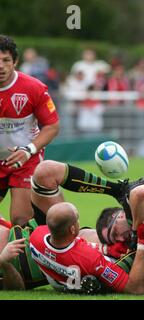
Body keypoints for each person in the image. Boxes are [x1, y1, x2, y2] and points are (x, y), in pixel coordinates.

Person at [0, 35, 60, 226]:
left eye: (6, 60)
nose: (1, 66)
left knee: (20, 218)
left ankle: (30, 251)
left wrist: (29, 150)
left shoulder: (33, 88)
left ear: (15, 61)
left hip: (26, 159)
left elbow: (52, 126)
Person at [29, 202, 144, 294]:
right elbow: (135, 289)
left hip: (61, 280)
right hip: (102, 271)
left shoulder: (36, 237)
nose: (79, 222)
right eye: (77, 220)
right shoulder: (92, 260)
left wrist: (104, 249)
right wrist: (143, 241)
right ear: (72, 229)